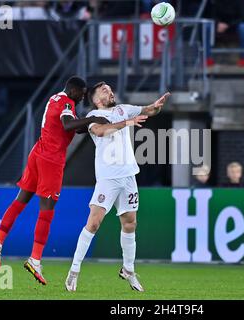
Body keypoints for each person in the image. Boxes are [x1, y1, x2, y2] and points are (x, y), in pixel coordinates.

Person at [0, 76, 112, 285]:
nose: (82, 98)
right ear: (73, 91)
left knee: (20, 201)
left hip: (38, 152)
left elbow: (71, 125)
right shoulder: (67, 102)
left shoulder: (56, 98)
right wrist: (91, 120)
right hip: (51, 159)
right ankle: (35, 259)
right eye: (81, 94)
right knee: (46, 211)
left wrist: (89, 121)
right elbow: (66, 124)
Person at [65, 82, 170, 292]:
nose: (110, 92)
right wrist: (127, 122)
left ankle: (128, 270)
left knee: (130, 223)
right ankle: (74, 270)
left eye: (111, 89)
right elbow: (102, 131)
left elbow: (148, 110)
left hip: (128, 175)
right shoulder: (94, 116)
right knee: (94, 223)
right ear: (95, 99)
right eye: (105, 90)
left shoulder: (123, 109)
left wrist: (156, 106)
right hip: (108, 178)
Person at [213, 0, 244, 67]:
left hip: (236, 25)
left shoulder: (240, 1)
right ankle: (207, 58)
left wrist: (228, 25)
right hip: (222, 26)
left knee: (243, 27)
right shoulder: (218, 2)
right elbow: (213, 15)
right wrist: (217, 23)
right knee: (207, 26)